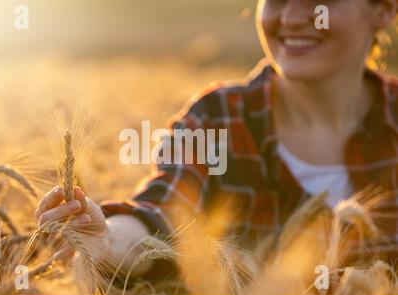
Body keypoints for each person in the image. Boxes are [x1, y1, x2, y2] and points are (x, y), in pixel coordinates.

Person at [35, 0, 398, 279]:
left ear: (383, 10)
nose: (289, 18)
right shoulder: (217, 117)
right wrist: (105, 240)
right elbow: (164, 208)